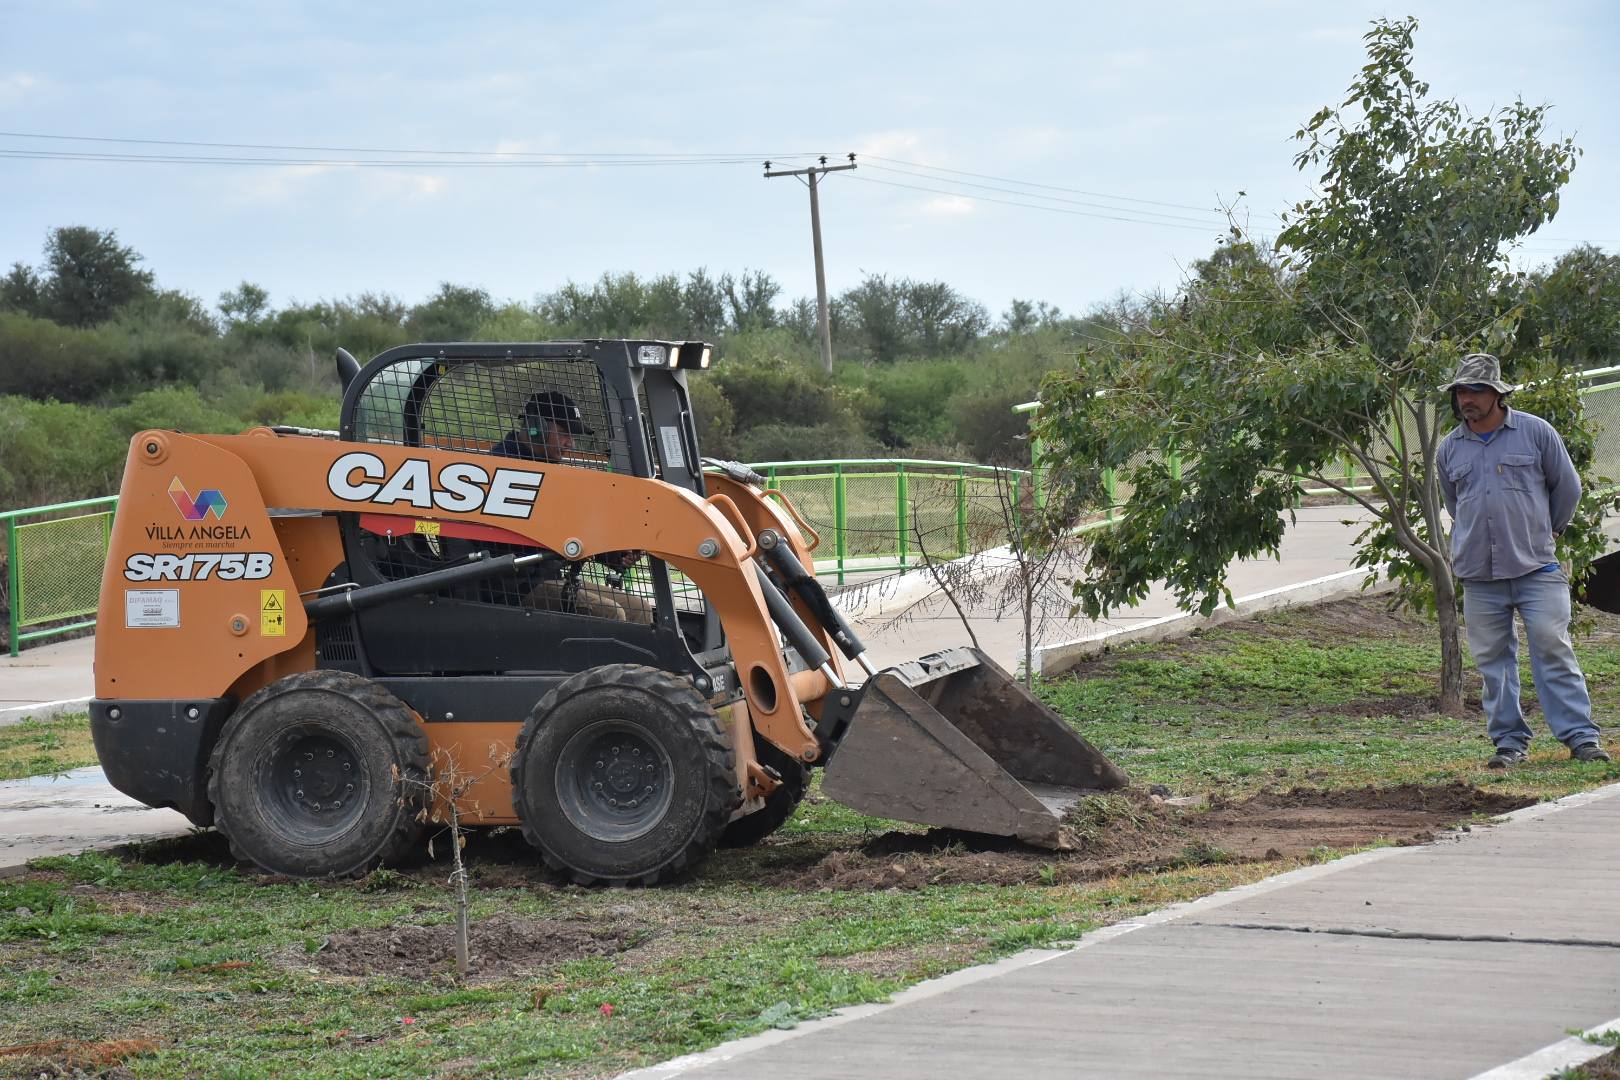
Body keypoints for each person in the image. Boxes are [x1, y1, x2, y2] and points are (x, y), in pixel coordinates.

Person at [1436, 352, 1610, 768]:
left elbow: (1566, 489)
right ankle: (1509, 743)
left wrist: (1550, 529)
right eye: (1461, 390)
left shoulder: (1536, 433)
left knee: (1553, 649)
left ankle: (1581, 738)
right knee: (1494, 663)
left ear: (1497, 394)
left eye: (1476, 390)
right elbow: (1455, 504)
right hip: (1479, 575)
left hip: (1537, 568)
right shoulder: (1449, 448)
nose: (1467, 399)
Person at [491, 391, 653, 623]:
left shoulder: (551, 470)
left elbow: (569, 529)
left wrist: (616, 555)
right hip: (514, 587)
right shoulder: (502, 467)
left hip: (548, 577)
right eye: (564, 434)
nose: (570, 444)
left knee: (641, 609)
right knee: (611, 613)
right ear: (537, 427)